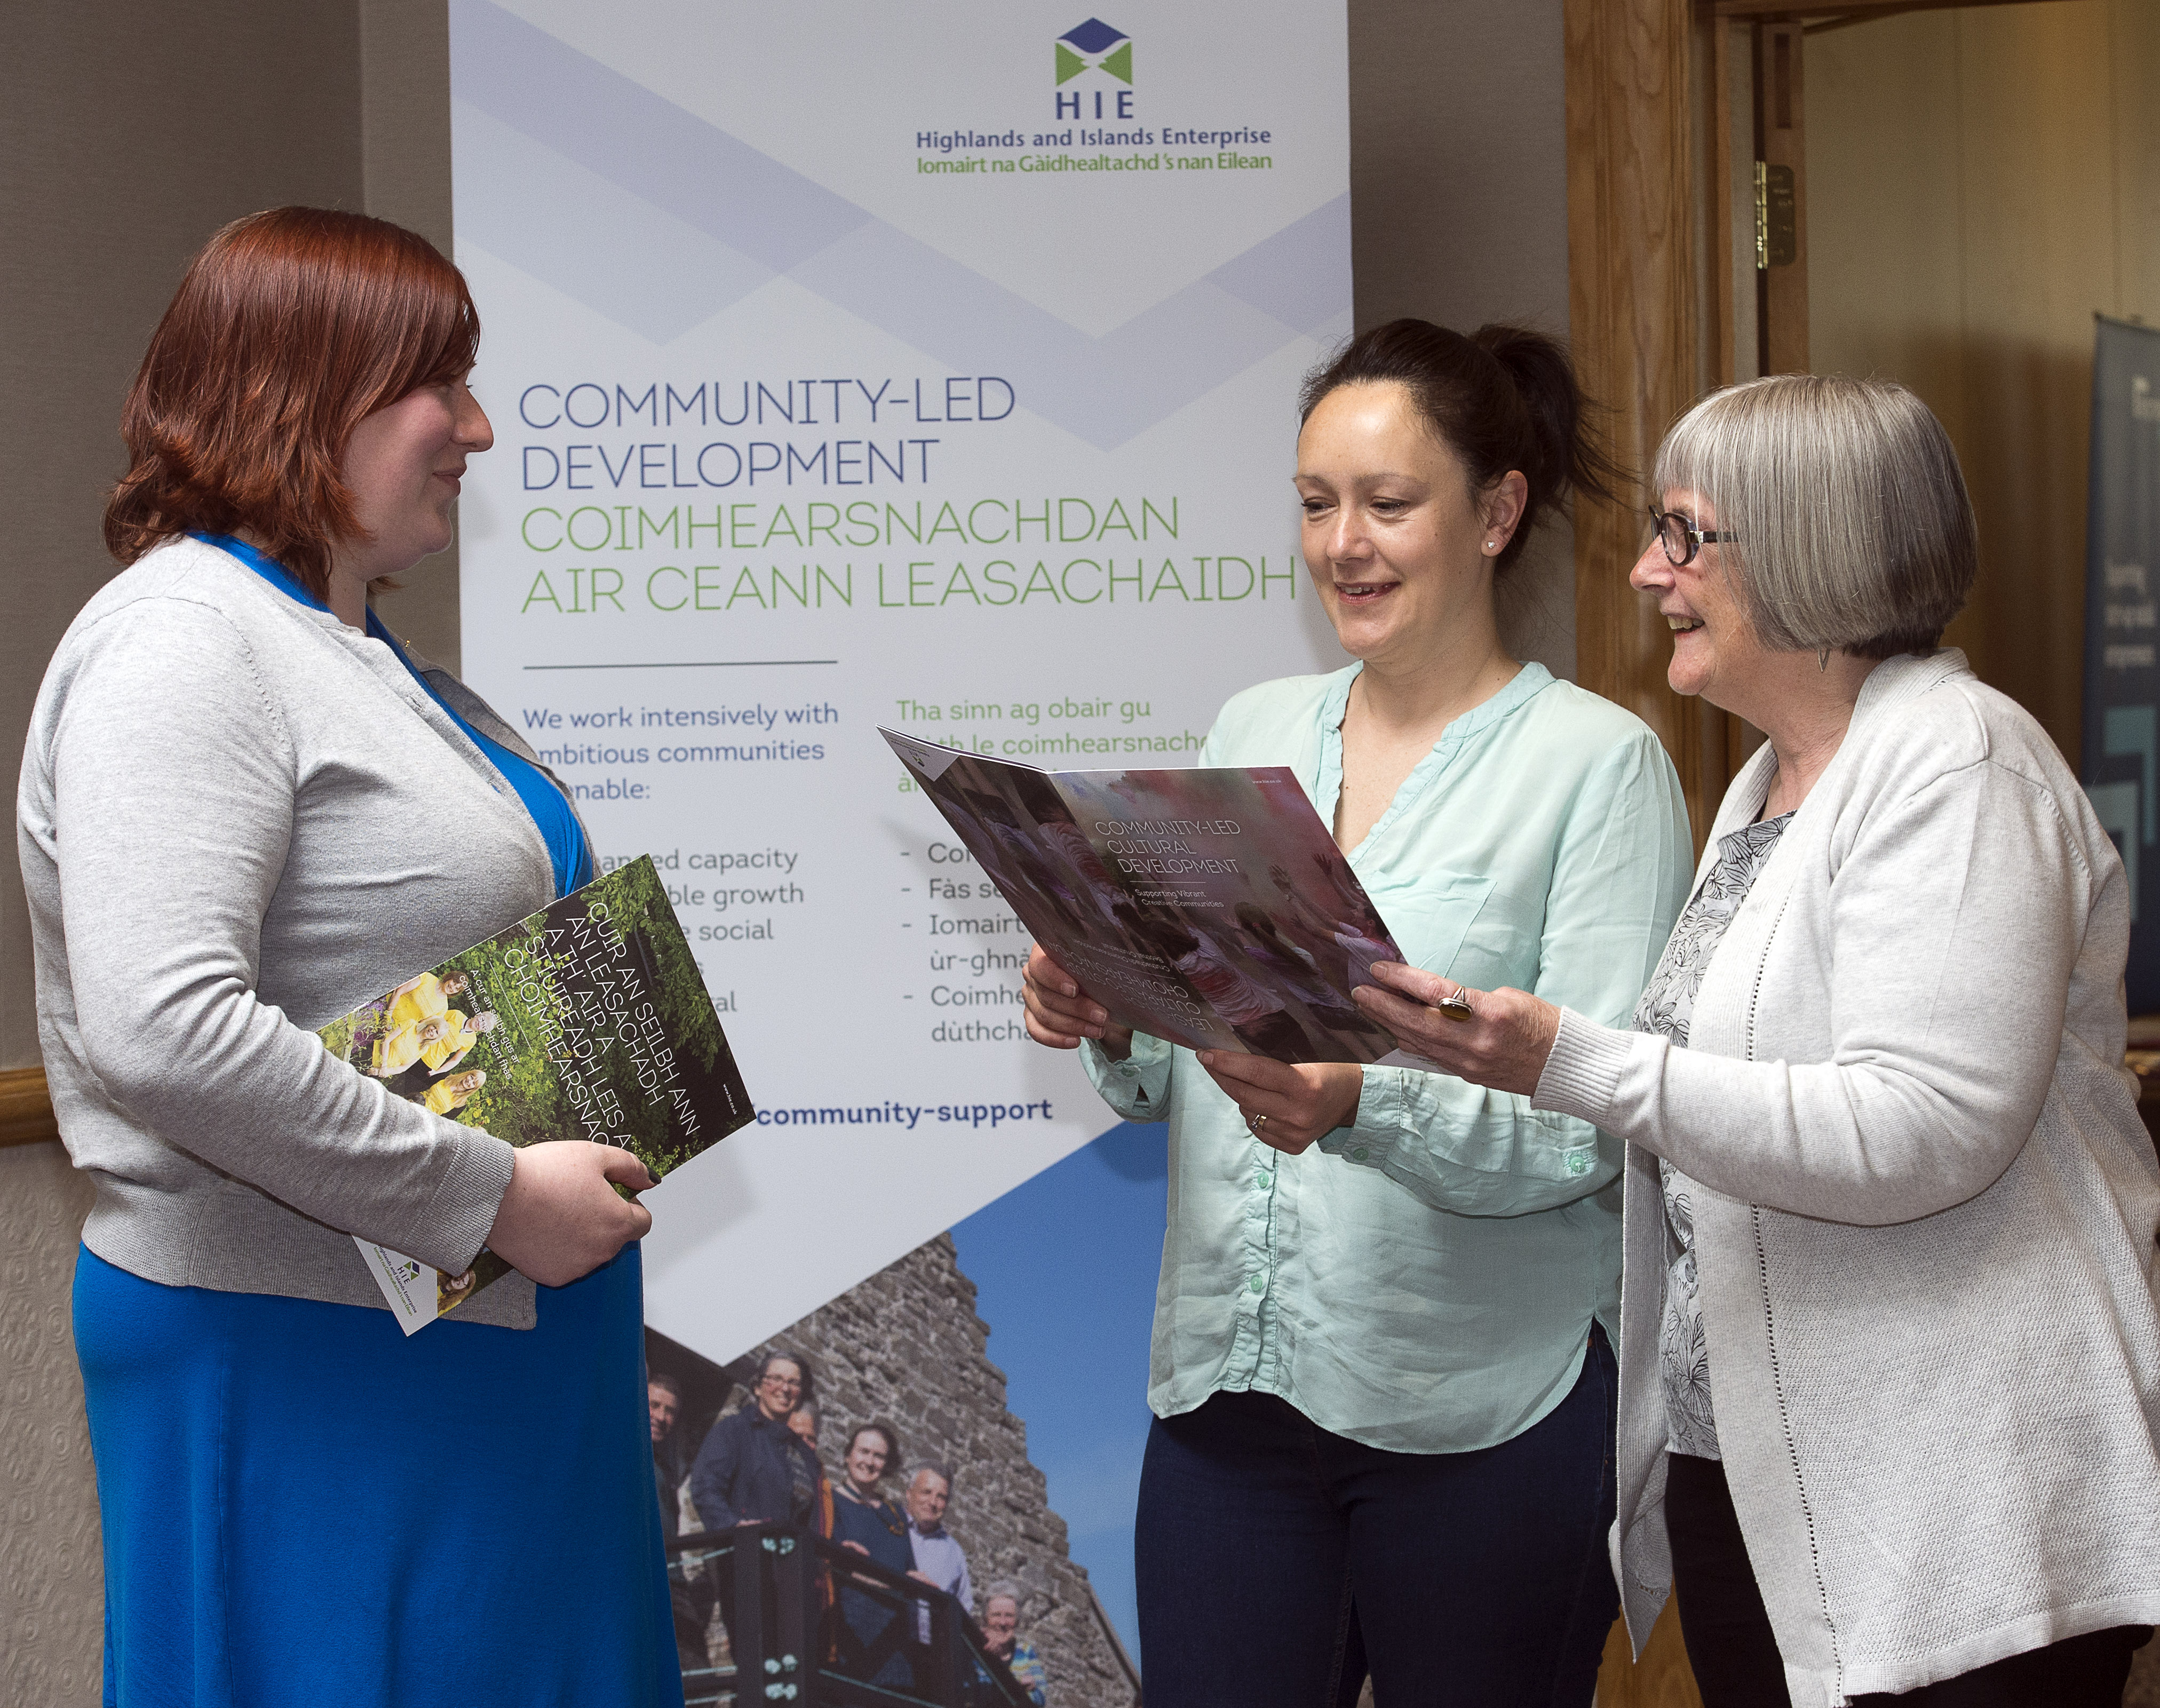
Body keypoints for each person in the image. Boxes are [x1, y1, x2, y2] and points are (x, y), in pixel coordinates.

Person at [1355, 374, 2160, 1706]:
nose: (1640, 572)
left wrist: (1570, 1058)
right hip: (1778, 1480)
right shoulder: (1773, 780)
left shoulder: (1960, 765)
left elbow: (1922, 1127)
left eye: (1682, 534)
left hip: (1958, 1499)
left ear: (1807, 545)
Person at [19, 206, 670, 1705]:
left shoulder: (367, 656)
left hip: (476, 1350)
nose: (480, 429)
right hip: (304, 1358)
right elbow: (165, 1027)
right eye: (444, 382)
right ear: (310, 393)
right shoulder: (184, 644)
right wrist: (495, 1192)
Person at [1022, 319, 1693, 1705]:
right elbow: (1167, 1076)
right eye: (1318, 505)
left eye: (1390, 505)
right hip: (1228, 1397)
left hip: (1484, 1416)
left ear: (1498, 511)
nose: (1345, 545)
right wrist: (1109, 1011)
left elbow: (1596, 1132)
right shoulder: (1249, 728)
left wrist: (1360, 1103)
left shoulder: (1598, 769)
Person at [829, 1423, 917, 1687]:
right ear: (848, 1456)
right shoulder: (830, 1503)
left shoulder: (896, 1514)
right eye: (863, 1452)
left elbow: (908, 1567)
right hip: (850, 1626)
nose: (869, 1461)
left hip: (894, 1634)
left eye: (878, 1456)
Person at [904, 1461, 973, 1610]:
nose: (932, 1502)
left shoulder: (954, 1554)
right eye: (926, 1492)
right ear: (909, 1494)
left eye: (941, 1497)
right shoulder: (886, 1526)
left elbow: (963, 1611)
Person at [979, 1586, 1049, 1708]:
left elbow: (1040, 1700)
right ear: (986, 1619)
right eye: (996, 1615)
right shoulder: (974, 1647)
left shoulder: (1025, 1651)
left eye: (1009, 1616)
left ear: (1017, 1621)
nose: (1003, 1623)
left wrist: (1031, 1690)